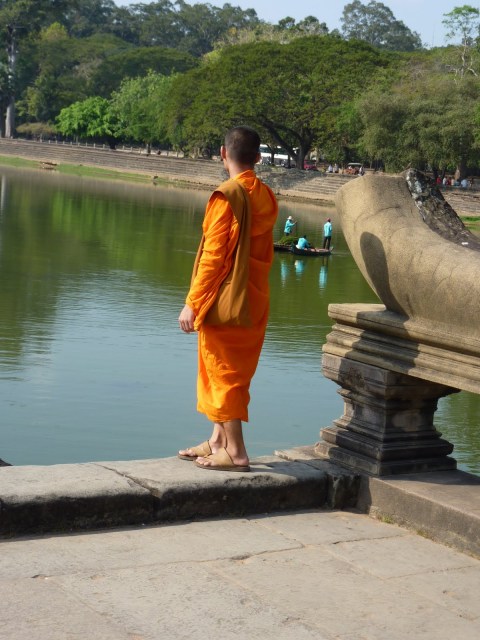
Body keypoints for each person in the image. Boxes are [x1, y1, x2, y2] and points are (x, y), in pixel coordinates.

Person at [178, 126, 278, 472]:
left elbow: (214, 257)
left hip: (227, 300)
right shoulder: (265, 194)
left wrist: (192, 302)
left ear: (223, 154)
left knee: (224, 374)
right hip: (254, 297)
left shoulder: (227, 196)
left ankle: (236, 452)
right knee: (226, 370)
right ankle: (217, 440)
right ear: (258, 158)